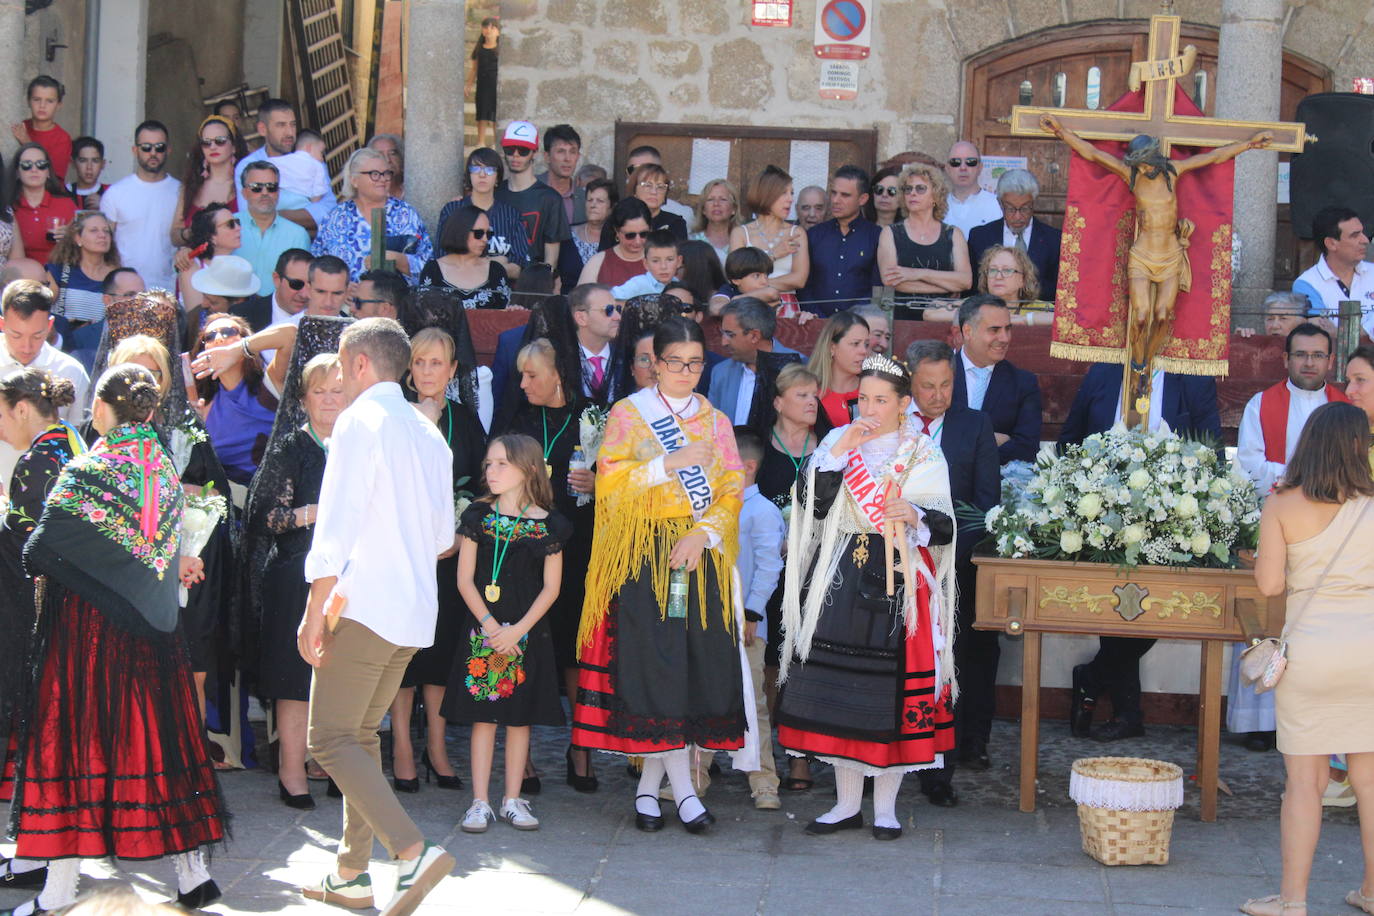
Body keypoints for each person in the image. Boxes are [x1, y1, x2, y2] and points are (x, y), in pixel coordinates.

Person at [8, 363, 227, 915]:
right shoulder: (163, 473)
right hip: (154, 639)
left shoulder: (90, 468)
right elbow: (157, 555)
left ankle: (57, 894)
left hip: (86, 640)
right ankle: (192, 877)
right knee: (160, 748)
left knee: (73, 753)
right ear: (150, 412)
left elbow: (40, 548)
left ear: (102, 409)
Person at [298, 317, 456, 915]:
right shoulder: (427, 429)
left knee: (332, 738)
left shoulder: (360, 421)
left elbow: (335, 523)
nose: (337, 381)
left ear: (360, 364)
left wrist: (315, 607)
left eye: (340, 367)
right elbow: (444, 536)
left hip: (364, 604)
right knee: (359, 738)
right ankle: (350, 876)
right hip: (413, 608)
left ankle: (410, 850)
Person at [571, 316, 750, 835]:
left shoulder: (715, 421)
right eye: (676, 362)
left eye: (696, 363)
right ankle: (686, 794)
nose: (687, 372)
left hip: (698, 556)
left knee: (688, 670)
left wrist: (705, 536)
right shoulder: (629, 415)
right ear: (655, 365)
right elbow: (609, 482)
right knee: (658, 668)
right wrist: (667, 464)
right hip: (644, 554)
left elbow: (732, 485)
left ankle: (649, 792)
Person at [776, 352, 957, 841]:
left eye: (882, 400)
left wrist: (915, 513)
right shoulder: (838, 441)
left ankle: (886, 809)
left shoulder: (922, 452)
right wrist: (836, 456)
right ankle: (845, 804)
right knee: (842, 693)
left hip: (899, 578)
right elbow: (810, 505)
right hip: (842, 578)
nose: (870, 409)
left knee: (890, 694)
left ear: (904, 404)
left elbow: (945, 527)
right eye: (863, 399)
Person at [1239, 401, 1374, 916]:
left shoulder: (1282, 504)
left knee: (1305, 783)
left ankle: (1292, 900)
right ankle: (1371, 891)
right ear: (1359, 448)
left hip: (1312, 654)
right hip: (1369, 651)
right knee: (1369, 779)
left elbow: (1271, 585)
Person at [1061, 359, 1220, 743]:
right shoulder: (1103, 372)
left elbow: (1211, 446)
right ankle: (1127, 714)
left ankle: (1094, 679)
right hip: (1102, 511)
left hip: (1171, 515)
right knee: (1119, 610)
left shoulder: (1193, 377)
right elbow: (1071, 438)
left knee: (1149, 609)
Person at [447, 434, 570, 833]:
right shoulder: (477, 517)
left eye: (502, 464)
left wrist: (517, 630)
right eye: (489, 464)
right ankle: (479, 801)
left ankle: (513, 798)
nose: (492, 471)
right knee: (484, 717)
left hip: (526, 632)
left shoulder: (548, 525)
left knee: (520, 719)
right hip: (484, 631)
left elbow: (552, 588)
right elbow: (464, 580)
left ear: (529, 469)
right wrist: (489, 625)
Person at [491, 333, 598, 791]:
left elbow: (620, 473)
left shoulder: (594, 415)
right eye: (521, 373)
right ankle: (525, 756)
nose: (524, 382)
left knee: (576, 648)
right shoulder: (518, 415)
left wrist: (596, 482)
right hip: (525, 546)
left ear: (559, 374)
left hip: (578, 542)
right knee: (526, 642)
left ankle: (581, 749)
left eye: (533, 374)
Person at [244, 352, 344, 810]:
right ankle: (291, 771)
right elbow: (265, 516)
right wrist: (311, 514)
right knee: (294, 674)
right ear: (303, 400)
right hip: (295, 572)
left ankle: (339, 766)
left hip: (350, 575)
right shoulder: (290, 447)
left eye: (337, 390)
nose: (329, 399)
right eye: (319, 391)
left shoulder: (359, 444)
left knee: (343, 675)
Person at [390, 328, 487, 795]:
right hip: (404, 554)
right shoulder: (395, 417)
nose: (428, 371)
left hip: (450, 558)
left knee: (441, 651)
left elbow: (486, 483)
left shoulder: (466, 421)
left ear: (452, 371)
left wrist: (458, 531)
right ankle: (403, 751)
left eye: (438, 363)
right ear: (409, 367)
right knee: (404, 654)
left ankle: (436, 746)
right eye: (420, 362)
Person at [905, 340, 1001, 802]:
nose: (938, 395)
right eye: (928, 386)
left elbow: (985, 505)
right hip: (893, 566)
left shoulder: (974, 425)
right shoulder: (890, 421)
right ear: (910, 383)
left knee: (947, 666)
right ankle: (876, 765)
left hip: (951, 569)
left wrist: (943, 550)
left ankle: (938, 771)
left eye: (946, 384)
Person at [0, 366, 83, 887]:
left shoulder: (37, 460)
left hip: (35, 613)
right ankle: (35, 850)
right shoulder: (73, 443)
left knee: (41, 730)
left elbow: (31, 551)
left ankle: (43, 854)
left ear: (23, 408)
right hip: (63, 609)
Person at [753, 362, 820, 795]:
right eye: (801, 395)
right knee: (770, 658)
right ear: (778, 402)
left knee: (805, 660)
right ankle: (766, 751)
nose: (812, 401)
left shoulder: (830, 449)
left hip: (815, 572)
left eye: (815, 394)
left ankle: (801, 756)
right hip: (767, 572)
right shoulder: (759, 448)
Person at [731, 427, 785, 811]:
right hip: (709, 622)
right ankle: (695, 775)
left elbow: (769, 566)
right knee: (705, 699)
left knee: (754, 702)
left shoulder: (761, 510)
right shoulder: (713, 506)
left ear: (748, 467)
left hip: (747, 624)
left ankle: (764, 779)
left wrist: (752, 611)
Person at [1237, 322, 1347, 498]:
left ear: (1330, 361)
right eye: (1301, 355)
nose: (1309, 363)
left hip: (1332, 508)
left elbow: (1352, 467)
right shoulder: (1260, 405)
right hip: (1277, 508)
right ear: (1286, 359)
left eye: (1318, 355)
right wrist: (1309, 478)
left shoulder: (1345, 408)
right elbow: (1250, 467)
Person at [0, 279, 89, 484]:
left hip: (50, 495)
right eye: (16, 335)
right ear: (2, 324)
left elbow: (79, 441)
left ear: (50, 326)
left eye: (37, 335)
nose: (26, 346)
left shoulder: (70, 371)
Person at [312, 148, 433, 285]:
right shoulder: (336, 218)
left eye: (386, 173)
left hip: (396, 301)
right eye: (374, 174)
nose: (382, 179)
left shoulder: (406, 214)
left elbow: (429, 266)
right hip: (346, 303)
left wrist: (400, 260)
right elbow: (317, 264)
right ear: (354, 180)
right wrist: (342, 289)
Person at [952, 294, 1042, 464]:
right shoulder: (941, 373)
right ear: (967, 331)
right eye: (994, 330)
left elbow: (1027, 448)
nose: (1005, 338)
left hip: (997, 486)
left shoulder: (1023, 383)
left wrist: (965, 442)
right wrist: (990, 440)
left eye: (1008, 329)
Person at [190, 314, 277, 485]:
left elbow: (290, 334)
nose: (219, 339)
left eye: (229, 332)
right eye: (210, 336)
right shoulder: (203, 404)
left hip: (272, 494)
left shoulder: (270, 385)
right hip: (228, 501)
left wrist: (241, 349)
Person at [878, 162, 971, 321]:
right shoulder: (890, 233)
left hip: (944, 318)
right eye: (908, 189)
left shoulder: (953, 234)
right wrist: (945, 286)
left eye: (920, 189)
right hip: (903, 320)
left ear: (935, 196)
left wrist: (916, 273)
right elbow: (891, 281)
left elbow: (965, 281)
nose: (913, 193)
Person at [100, 121, 181, 292]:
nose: (153, 153)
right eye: (146, 147)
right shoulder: (116, 193)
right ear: (135, 150)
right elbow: (104, 245)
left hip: (169, 290)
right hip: (126, 292)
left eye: (159, 147)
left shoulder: (181, 192)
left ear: (168, 150)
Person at [233, 99, 336, 233]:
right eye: (281, 125)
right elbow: (252, 219)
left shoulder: (311, 158)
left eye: (292, 125)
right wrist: (307, 218)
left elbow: (329, 209)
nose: (289, 133)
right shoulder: (248, 166)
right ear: (262, 129)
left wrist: (276, 215)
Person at [966, 168, 1063, 302]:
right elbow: (973, 288)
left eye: (1024, 208)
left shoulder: (1054, 240)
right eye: (1011, 209)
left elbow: (1058, 290)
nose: (1018, 216)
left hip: (1039, 317)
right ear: (1000, 204)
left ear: (1033, 203)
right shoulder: (980, 237)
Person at [438, 147, 530, 280]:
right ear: (469, 175)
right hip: (456, 289)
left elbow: (517, 269)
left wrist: (470, 263)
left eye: (489, 170)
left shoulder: (512, 215)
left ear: (498, 177)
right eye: (476, 169)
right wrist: (496, 263)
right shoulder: (452, 210)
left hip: (498, 292)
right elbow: (441, 258)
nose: (482, 175)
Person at [800, 165, 881, 316]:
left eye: (845, 195)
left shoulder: (877, 236)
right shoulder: (814, 235)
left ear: (862, 199)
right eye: (833, 193)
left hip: (860, 326)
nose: (836, 200)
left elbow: (877, 289)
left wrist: (853, 322)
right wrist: (819, 319)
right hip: (817, 323)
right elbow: (805, 286)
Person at [709, 297, 800, 425]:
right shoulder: (720, 372)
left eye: (730, 334)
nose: (723, 342)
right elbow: (712, 427)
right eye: (722, 333)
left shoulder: (798, 367)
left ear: (754, 336)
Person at [731, 166, 809, 315]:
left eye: (791, 193)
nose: (790, 199)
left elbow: (799, 279)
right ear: (766, 194)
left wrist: (756, 286)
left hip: (785, 308)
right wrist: (773, 255)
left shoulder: (797, 232)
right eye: (783, 193)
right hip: (749, 308)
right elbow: (736, 274)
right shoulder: (740, 233)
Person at [1291, 206, 1374, 338]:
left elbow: (1334, 333)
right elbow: (1320, 332)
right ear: (1331, 243)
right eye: (1355, 235)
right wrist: (1369, 329)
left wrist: (1341, 332)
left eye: (1362, 233)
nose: (1365, 240)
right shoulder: (1306, 284)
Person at [496, 121, 570, 266]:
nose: (515, 155)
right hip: (496, 281)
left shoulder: (550, 198)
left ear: (534, 153)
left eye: (523, 150)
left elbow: (551, 257)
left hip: (531, 283)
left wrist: (544, 280)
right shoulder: (495, 193)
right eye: (509, 149)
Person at [233, 161, 311, 296]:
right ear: (244, 193)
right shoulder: (227, 225)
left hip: (278, 313)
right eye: (256, 187)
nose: (265, 193)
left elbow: (301, 284)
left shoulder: (297, 234)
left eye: (271, 187)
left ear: (278, 192)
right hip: (232, 311)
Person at [418, 203, 510, 309]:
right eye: (478, 233)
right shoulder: (432, 271)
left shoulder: (496, 271)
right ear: (461, 231)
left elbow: (505, 313)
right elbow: (423, 314)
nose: (485, 239)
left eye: (488, 234)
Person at [172, 115, 245, 244]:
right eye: (206, 142)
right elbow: (174, 234)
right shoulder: (190, 186)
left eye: (220, 140)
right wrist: (191, 233)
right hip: (198, 261)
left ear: (234, 146)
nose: (212, 147)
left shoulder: (245, 185)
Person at [44, 209, 120, 330]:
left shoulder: (118, 277)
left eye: (106, 231)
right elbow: (40, 309)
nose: (102, 235)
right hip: (67, 344)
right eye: (94, 230)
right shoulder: (59, 272)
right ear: (78, 238)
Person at [11, 142, 76, 267]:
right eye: (26, 165)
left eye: (41, 164)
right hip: (23, 279)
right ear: (17, 172)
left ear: (48, 172)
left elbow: (86, 243)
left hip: (61, 276)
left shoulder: (66, 205)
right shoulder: (10, 208)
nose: (34, 169)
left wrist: (71, 237)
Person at [178, 203, 244, 319]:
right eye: (230, 225)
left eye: (237, 222)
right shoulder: (191, 268)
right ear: (211, 236)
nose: (238, 228)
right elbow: (197, 317)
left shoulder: (238, 265)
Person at [808, 310, 870, 428]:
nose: (863, 351)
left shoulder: (873, 391)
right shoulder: (810, 393)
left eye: (866, 344)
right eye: (855, 343)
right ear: (832, 347)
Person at [570, 283, 627, 406]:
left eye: (618, 310)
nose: (618, 317)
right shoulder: (560, 358)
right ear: (581, 318)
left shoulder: (627, 357)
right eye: (608, 310)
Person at [231, 247, 311, 334]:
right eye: (296, 284)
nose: (304, 294)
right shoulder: (242, 315)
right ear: (277, 279)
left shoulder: (323, 319)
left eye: (311, 285)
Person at [579, 197, 651, 288]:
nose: (638, 241)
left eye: (643, 234)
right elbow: (580, 300)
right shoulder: (598, 262)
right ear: (616, 231)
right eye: (630, 235)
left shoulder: (661, 259)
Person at [11, 76, 71, 183]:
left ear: (58, 105)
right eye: (36, 99)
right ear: (28, 101)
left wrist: (27, 143)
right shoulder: (22, 127)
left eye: (50, 101)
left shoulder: (62, 138)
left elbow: (53, 179)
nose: (42, 106)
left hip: (49, 196)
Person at [560, 176, 615, 292]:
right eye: (590, 200)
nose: (593, 205)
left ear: (611, 207)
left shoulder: (617, 239)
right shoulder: (567, 234)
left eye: (600, 201)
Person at [972, 244, 1048, 325]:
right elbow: (957, 312)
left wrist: (1025, 319)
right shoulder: (972, 304)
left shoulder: (1042, 308)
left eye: (1007, 271)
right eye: (993, 270)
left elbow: (1061, 320)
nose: (998, 277)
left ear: (1023, 279)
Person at [943, 140, 1001, 237]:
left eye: (970, 162)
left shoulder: (998, 205)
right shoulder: (935, 205)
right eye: (955, 162)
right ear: (947, 168)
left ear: (980, 167)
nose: (963, 168)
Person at [622, 145, 695, 222]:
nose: (639, 175)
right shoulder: (617, 212)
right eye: (633, 170)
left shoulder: (682, 214)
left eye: (649, 170)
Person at [536, 123, 584, 227]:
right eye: (561, 151)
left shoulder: (585, 198)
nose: (567, 158)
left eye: (572, 152)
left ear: (578, 156)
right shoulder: (531, 190)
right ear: (547, 156)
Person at [610, 230, 680, 300]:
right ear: (646, 264)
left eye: (670, 259)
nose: (663, 266)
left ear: (679, 261)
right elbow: (609, 297)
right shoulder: (638, 284)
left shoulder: (679, 286)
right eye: (655, 261)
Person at [627, 162, 688, 241]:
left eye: (660, 187)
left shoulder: (675, 223)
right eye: (648, 185)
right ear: (634, 190)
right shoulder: (619, 221)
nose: (654, 192)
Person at [466, 17, 500, 151]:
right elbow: (474, 69)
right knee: (482, 114)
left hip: (496, 87)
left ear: (498, 31)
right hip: (483, 86)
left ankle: (497, 142)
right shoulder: (479, 49)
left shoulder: (501, 48)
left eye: (492, 27)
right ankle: (481, 142)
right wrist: (468, 85)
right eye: (486, 27)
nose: (489, 30)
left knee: (495, 115)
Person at [690, 178, 739, 265]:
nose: (716, 204)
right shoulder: (692, 240)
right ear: (703, 209)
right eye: (710, 199)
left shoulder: (741, 241)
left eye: (723, 199)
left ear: (734, 209)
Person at [67, 136, 109, 209]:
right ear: (73, 163)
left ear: (103, 164)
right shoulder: (62, 193)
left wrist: (105, 205)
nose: (89, 167)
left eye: (95, 161)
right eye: (83, 160)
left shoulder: (111, 193)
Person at [367, 133, 406, 200]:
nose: (387, 160)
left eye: (392, 154)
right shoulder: (365, 195)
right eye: (380, 154)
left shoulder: (413, 189)